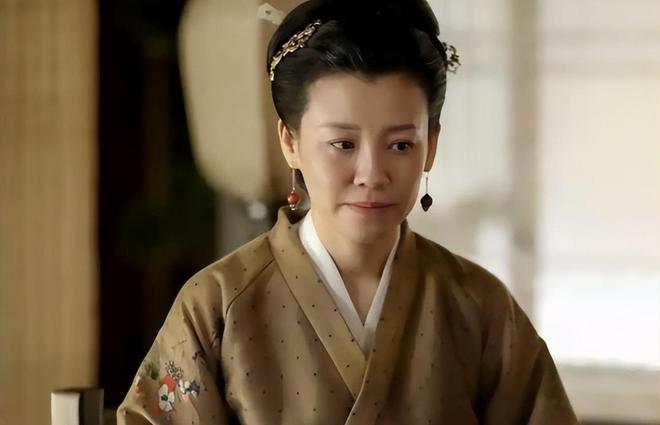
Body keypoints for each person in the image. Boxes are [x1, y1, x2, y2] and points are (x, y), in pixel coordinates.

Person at [117, 0, 578, 423]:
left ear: (432, 145)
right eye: (342, 144)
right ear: (290, 142)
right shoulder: (217, 305)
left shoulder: (480, 307)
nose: (372, 174)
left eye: (401, 144)